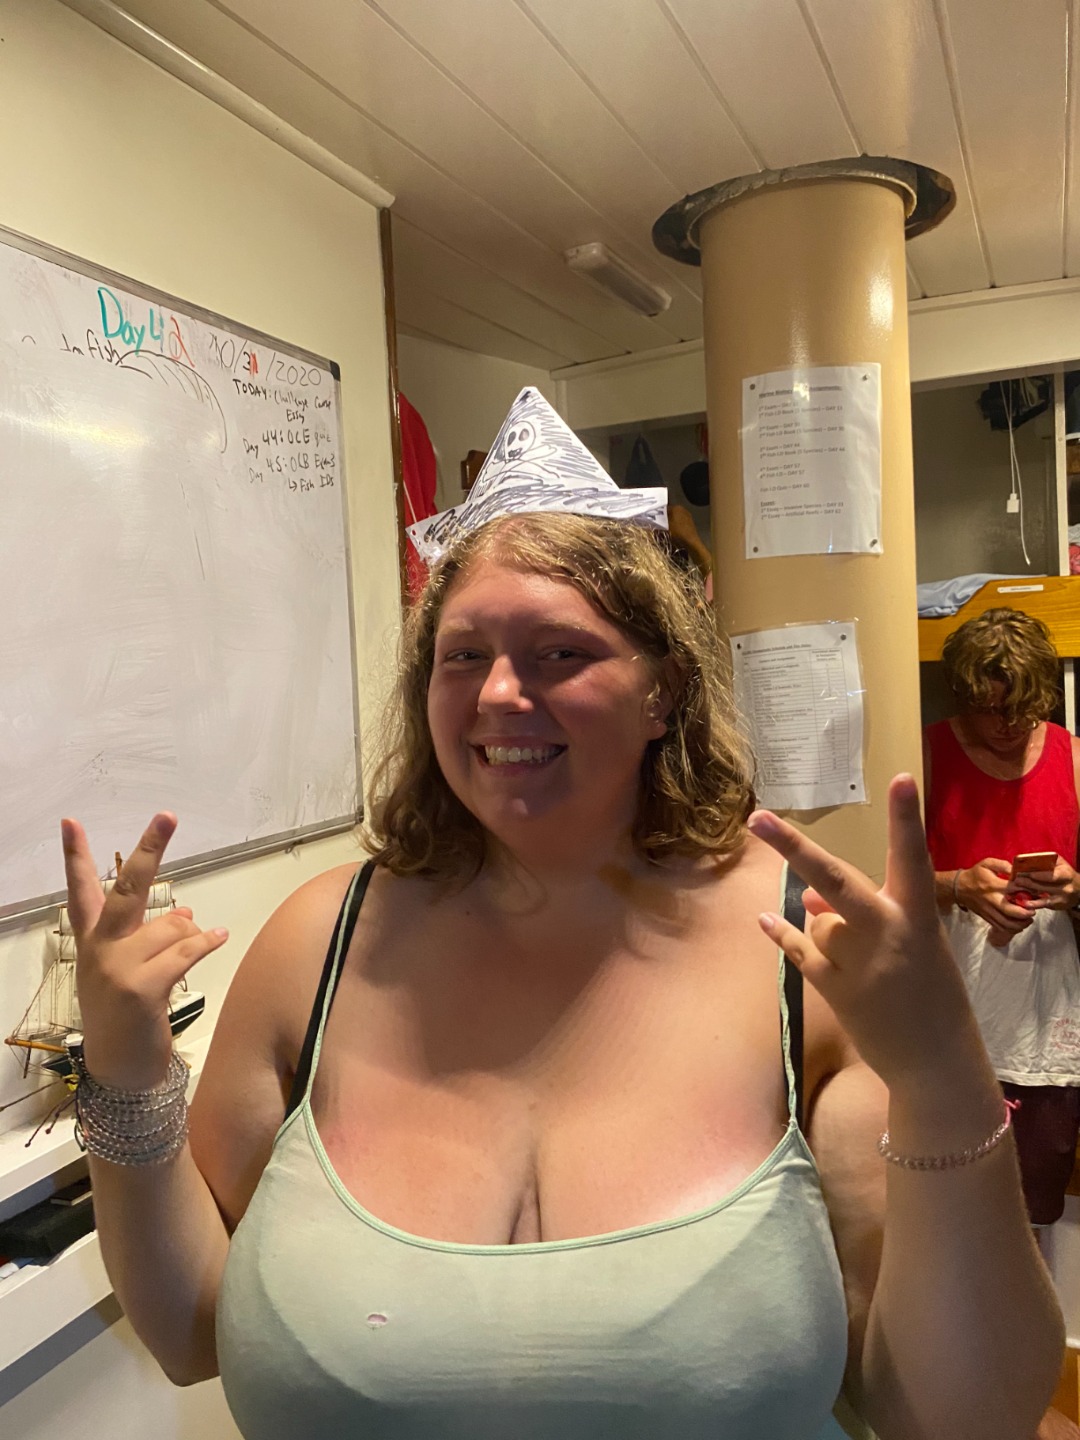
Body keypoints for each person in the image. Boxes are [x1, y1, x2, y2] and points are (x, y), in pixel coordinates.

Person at [60, 393, 1062, 1440]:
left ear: (664, 692)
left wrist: (945, 1074)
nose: (498, 693)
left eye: (558, 653)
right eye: (462, 655)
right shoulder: (317, 945)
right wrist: (124, 1070)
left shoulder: (801, 956)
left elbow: (960, 1417)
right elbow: (191, 1332)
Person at [925, 608, 1080, 1245]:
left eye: (1024, 709)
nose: (1009, 725)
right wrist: (955, 885)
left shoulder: (1072, 757)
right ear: (963, 697)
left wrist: (1075, 891)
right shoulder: (925, 754)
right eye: (991, 710)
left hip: (1044, 1018)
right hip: (947, 1009)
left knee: (1035, 1192)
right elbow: (871, 882)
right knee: (945, 1198)